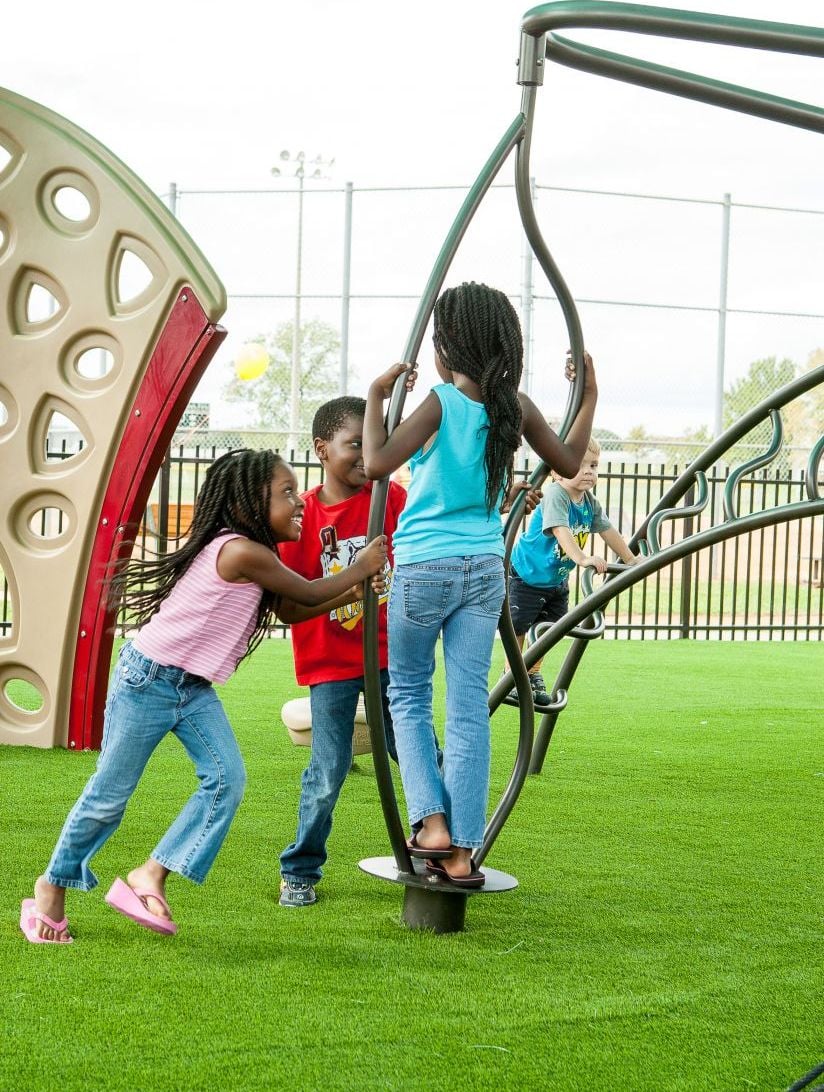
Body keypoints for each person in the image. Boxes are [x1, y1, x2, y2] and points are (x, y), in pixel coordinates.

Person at [20, 449, 387, 943]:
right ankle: (50, 887)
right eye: (285, 492)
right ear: (247, 501)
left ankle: (151, 873)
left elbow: (293, 610)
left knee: (226, 780)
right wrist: (360, 567)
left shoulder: (259, 556)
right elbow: (308, 593)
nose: (299, 501)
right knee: (109, 796)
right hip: (148, 681)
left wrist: (352, 590)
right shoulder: (240, 551)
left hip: (192, 689)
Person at [363, 280, 598, 886]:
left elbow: (375, 464)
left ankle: (432, 824)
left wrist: (374, 395)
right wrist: (589, 392)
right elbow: (570, 461)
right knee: (468, 706)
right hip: (482, 570)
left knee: (409, 694)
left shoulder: (442, 402)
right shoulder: (511, 407)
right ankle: (462, 851)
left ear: (447, 348)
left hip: (422, 567)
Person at [277, 396, 407, 908]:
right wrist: (350, 588)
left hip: (393, 658)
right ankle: (300, 869)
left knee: (418, 754)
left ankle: (438, 848)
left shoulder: (390, 498)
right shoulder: (303, 516)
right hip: (332, 662)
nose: (366, 455)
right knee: (327, 769)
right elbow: (290, 601)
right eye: (355, 444)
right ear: (321, 448)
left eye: (373, 444)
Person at [505, 436, 638, 706]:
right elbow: (560, 530)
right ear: (557, 470)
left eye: (593, 465)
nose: (588, 471)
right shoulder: (556, 494)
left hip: (555, 580)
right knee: (518, 628)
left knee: (550, 629)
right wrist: (582, 558)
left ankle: (531, 672)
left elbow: (606, 528)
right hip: (527, 576)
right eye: (580, 465)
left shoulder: (589, 502)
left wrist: (630, 559)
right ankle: (511, 677)